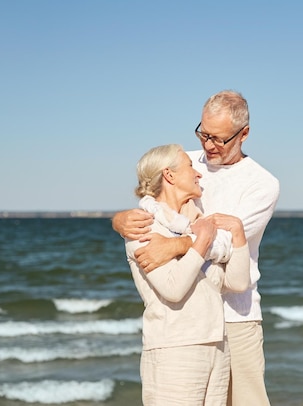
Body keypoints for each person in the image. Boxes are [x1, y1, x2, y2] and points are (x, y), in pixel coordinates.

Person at [113, 90, 279, 406]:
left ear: (243, 134)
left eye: (218, 139)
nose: (207, 146)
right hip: (188, 322)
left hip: (237, 314)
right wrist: (118, 220)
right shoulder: (184, 163)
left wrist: (174, 245)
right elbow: (151, 200)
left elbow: (225, 244)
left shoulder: (262, 183)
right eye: (203, 134)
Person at [125, 143, 251, 405]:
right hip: (175, 350)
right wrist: (201, 242)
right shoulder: (144, 227)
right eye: (190, 166)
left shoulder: (198, 224)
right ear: (169, 175)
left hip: (217, 345)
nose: (199, 174)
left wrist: (237, 234)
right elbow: (173, 288)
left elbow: (237, 283)